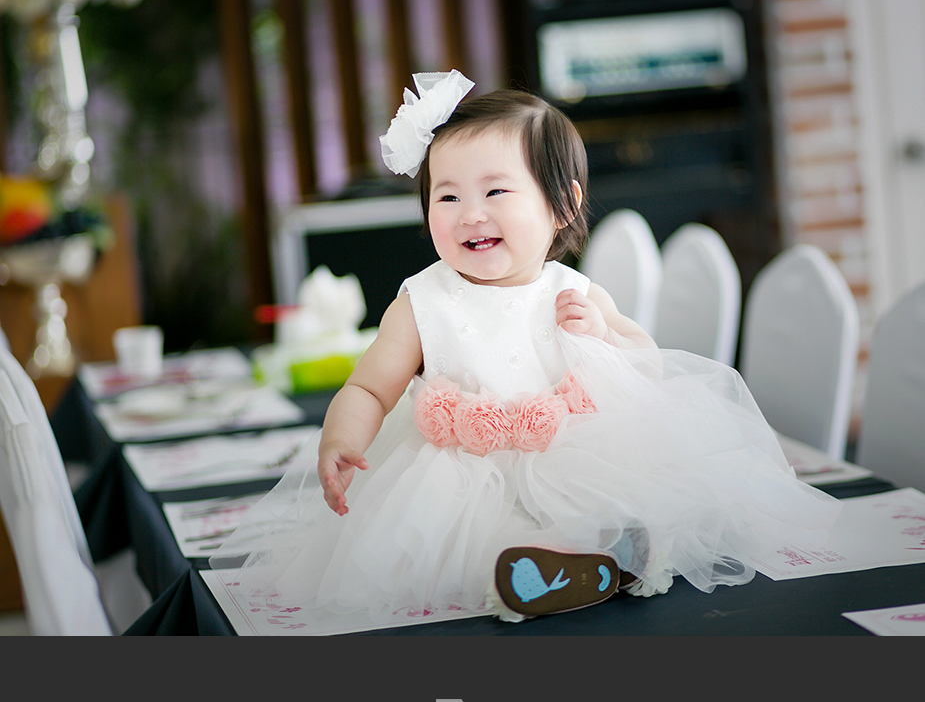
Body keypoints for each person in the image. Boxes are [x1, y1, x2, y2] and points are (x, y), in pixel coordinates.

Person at [212, 70, 840, 624]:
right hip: (459, 473)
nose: (470, 213)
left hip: (572, 453)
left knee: (614, 500)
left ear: (562, 204)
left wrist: (604, 334)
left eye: (495, 191)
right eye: (448, 196)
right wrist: (340, 441)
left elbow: (645, 358)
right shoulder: (422, 301)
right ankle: (547, 572)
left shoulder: (573, 290)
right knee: (489, 537)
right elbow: (369, 387)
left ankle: (619, 552)